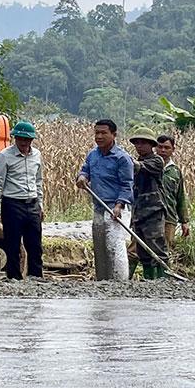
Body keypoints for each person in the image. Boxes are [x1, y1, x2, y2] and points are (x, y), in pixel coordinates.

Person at [76, 119, 135, 281]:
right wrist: (82, 177)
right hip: (99, 207)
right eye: (97, 133)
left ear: (114, 135)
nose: (99, 136)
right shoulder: (93, 155)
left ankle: (119, 283)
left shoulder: (122, 158)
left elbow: (127, 185)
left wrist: (119, 205)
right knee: (100, 246)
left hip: (116, 208)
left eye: (103, 133)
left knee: (115, 246)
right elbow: (84, 170)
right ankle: (102, 282)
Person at [0, 120, 44, 280]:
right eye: (20, 139)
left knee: (35, 244)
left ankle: (36, 275)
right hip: (12, 204)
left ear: (32, 140)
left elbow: (38, 181)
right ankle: (13, 276)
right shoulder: (4, 156)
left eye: (27, 139)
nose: (24, 142)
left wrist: (40, 205)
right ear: (15, 138)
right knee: (12, 244)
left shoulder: (37, 155)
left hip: (32, 203)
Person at [128, 127, 168, 279]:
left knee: (157, 248)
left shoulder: (156, 160)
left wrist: (125, 159)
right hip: (139, 212)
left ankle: (163, 278)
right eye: (137, 143)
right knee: (142, 251)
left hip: (153, 211)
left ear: (151, 145)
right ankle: (149, 278)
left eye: (143, 143)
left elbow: (140, 168)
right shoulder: (136, 161)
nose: (139, 146)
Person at [156, 134, 190, 253]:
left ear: (173, 149)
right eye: (160, 147)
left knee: (165, 252)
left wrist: (184, 221)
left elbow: (180, 197)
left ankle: (163, 272)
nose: (163, 150)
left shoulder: (175, 171)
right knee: (138, 251)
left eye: (167, 147)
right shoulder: (147, 166)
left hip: (169, 218)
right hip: (149, 218)